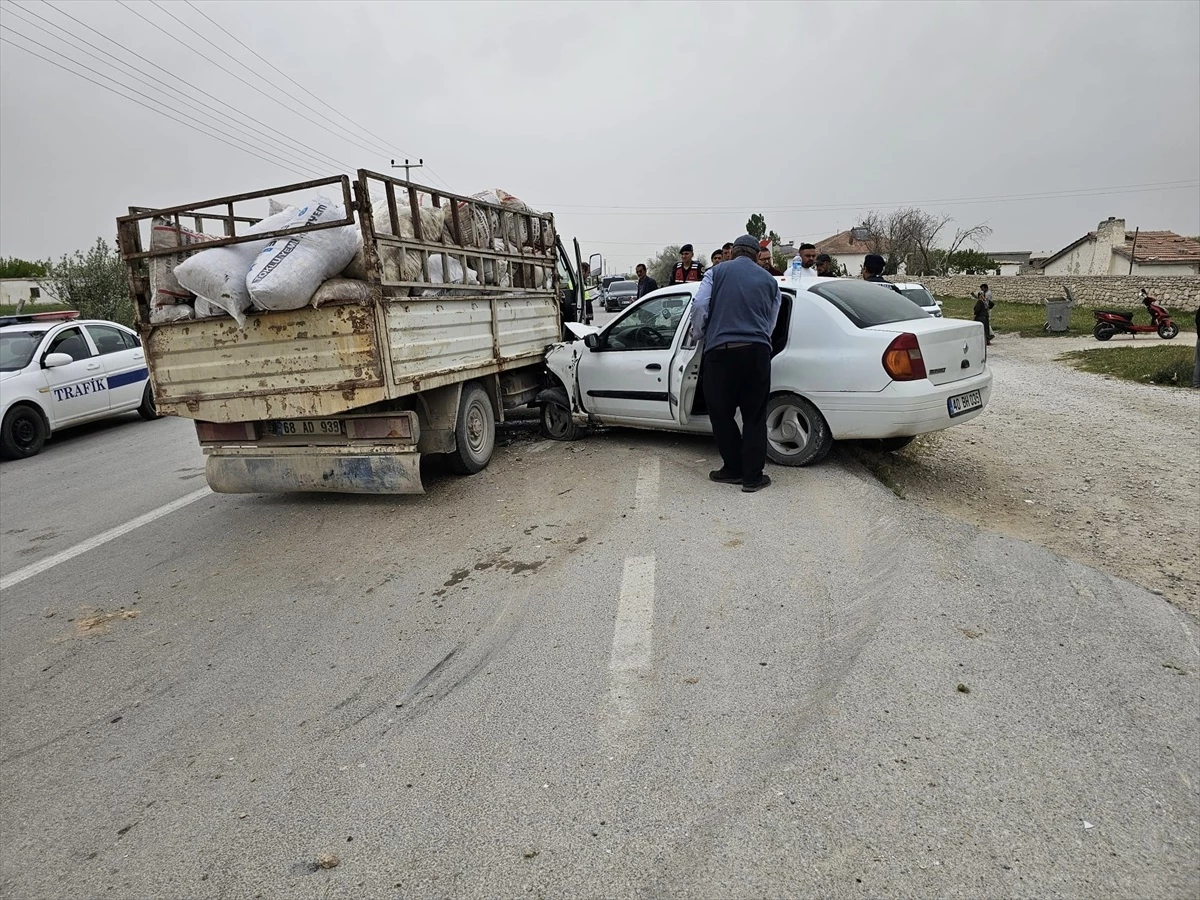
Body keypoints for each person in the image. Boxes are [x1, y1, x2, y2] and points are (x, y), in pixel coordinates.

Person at [689, 234, 782, 493]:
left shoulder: (716, 273)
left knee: (720, 414)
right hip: (756, 354)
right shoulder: (770, 281)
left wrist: (699, 333)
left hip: (720, 354)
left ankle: (732, 469)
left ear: (732, 253)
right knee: (754, 417)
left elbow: (700, 306)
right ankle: (753, 478)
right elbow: (771, 322)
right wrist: (758, 339)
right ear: (755, 255)